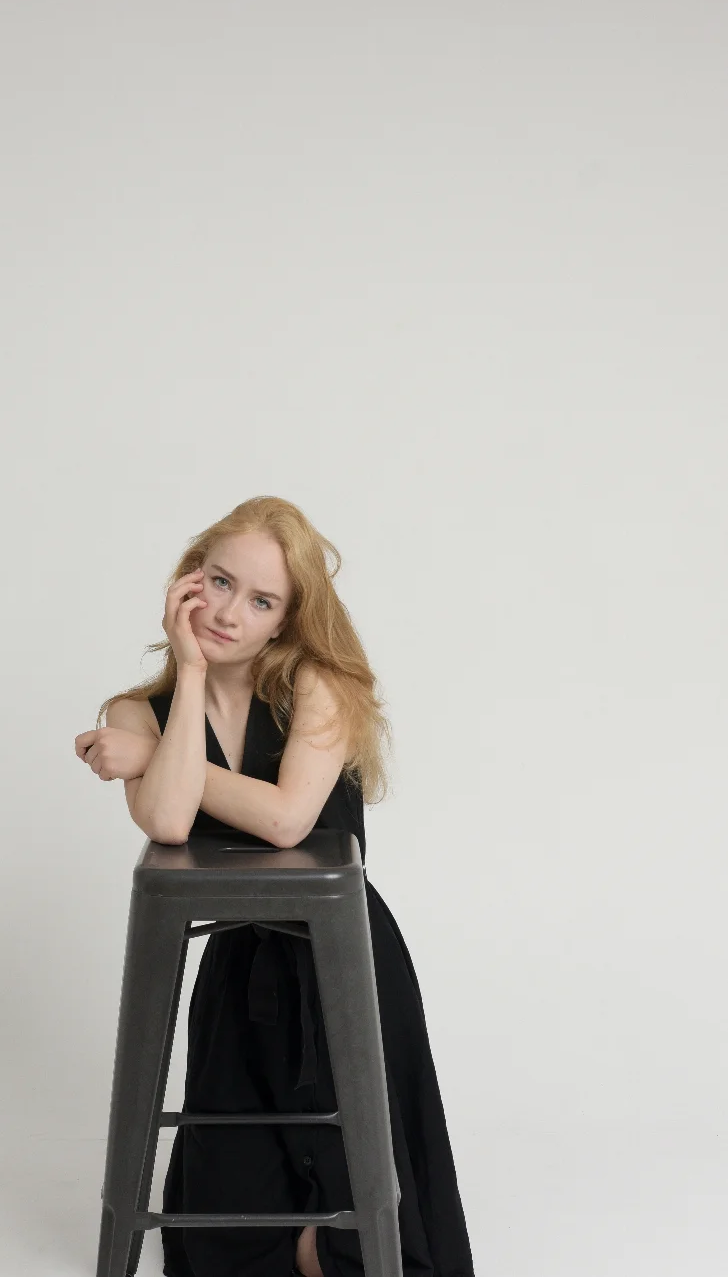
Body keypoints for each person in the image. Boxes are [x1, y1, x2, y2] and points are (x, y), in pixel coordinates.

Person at [75, 496, 475, 1277]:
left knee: (383, 1230)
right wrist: (190, 674)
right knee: (213, 1240)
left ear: (287, 620)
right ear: (188, 580)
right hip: (238, 966)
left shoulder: (318, 686)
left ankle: (327, 1249)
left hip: (344, 960)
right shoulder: (139, 710)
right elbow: (167, 820)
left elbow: (289, 819)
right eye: (221, 583)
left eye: (262, 601)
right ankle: (301, 1247)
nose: (230, 613)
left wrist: (151, 759)